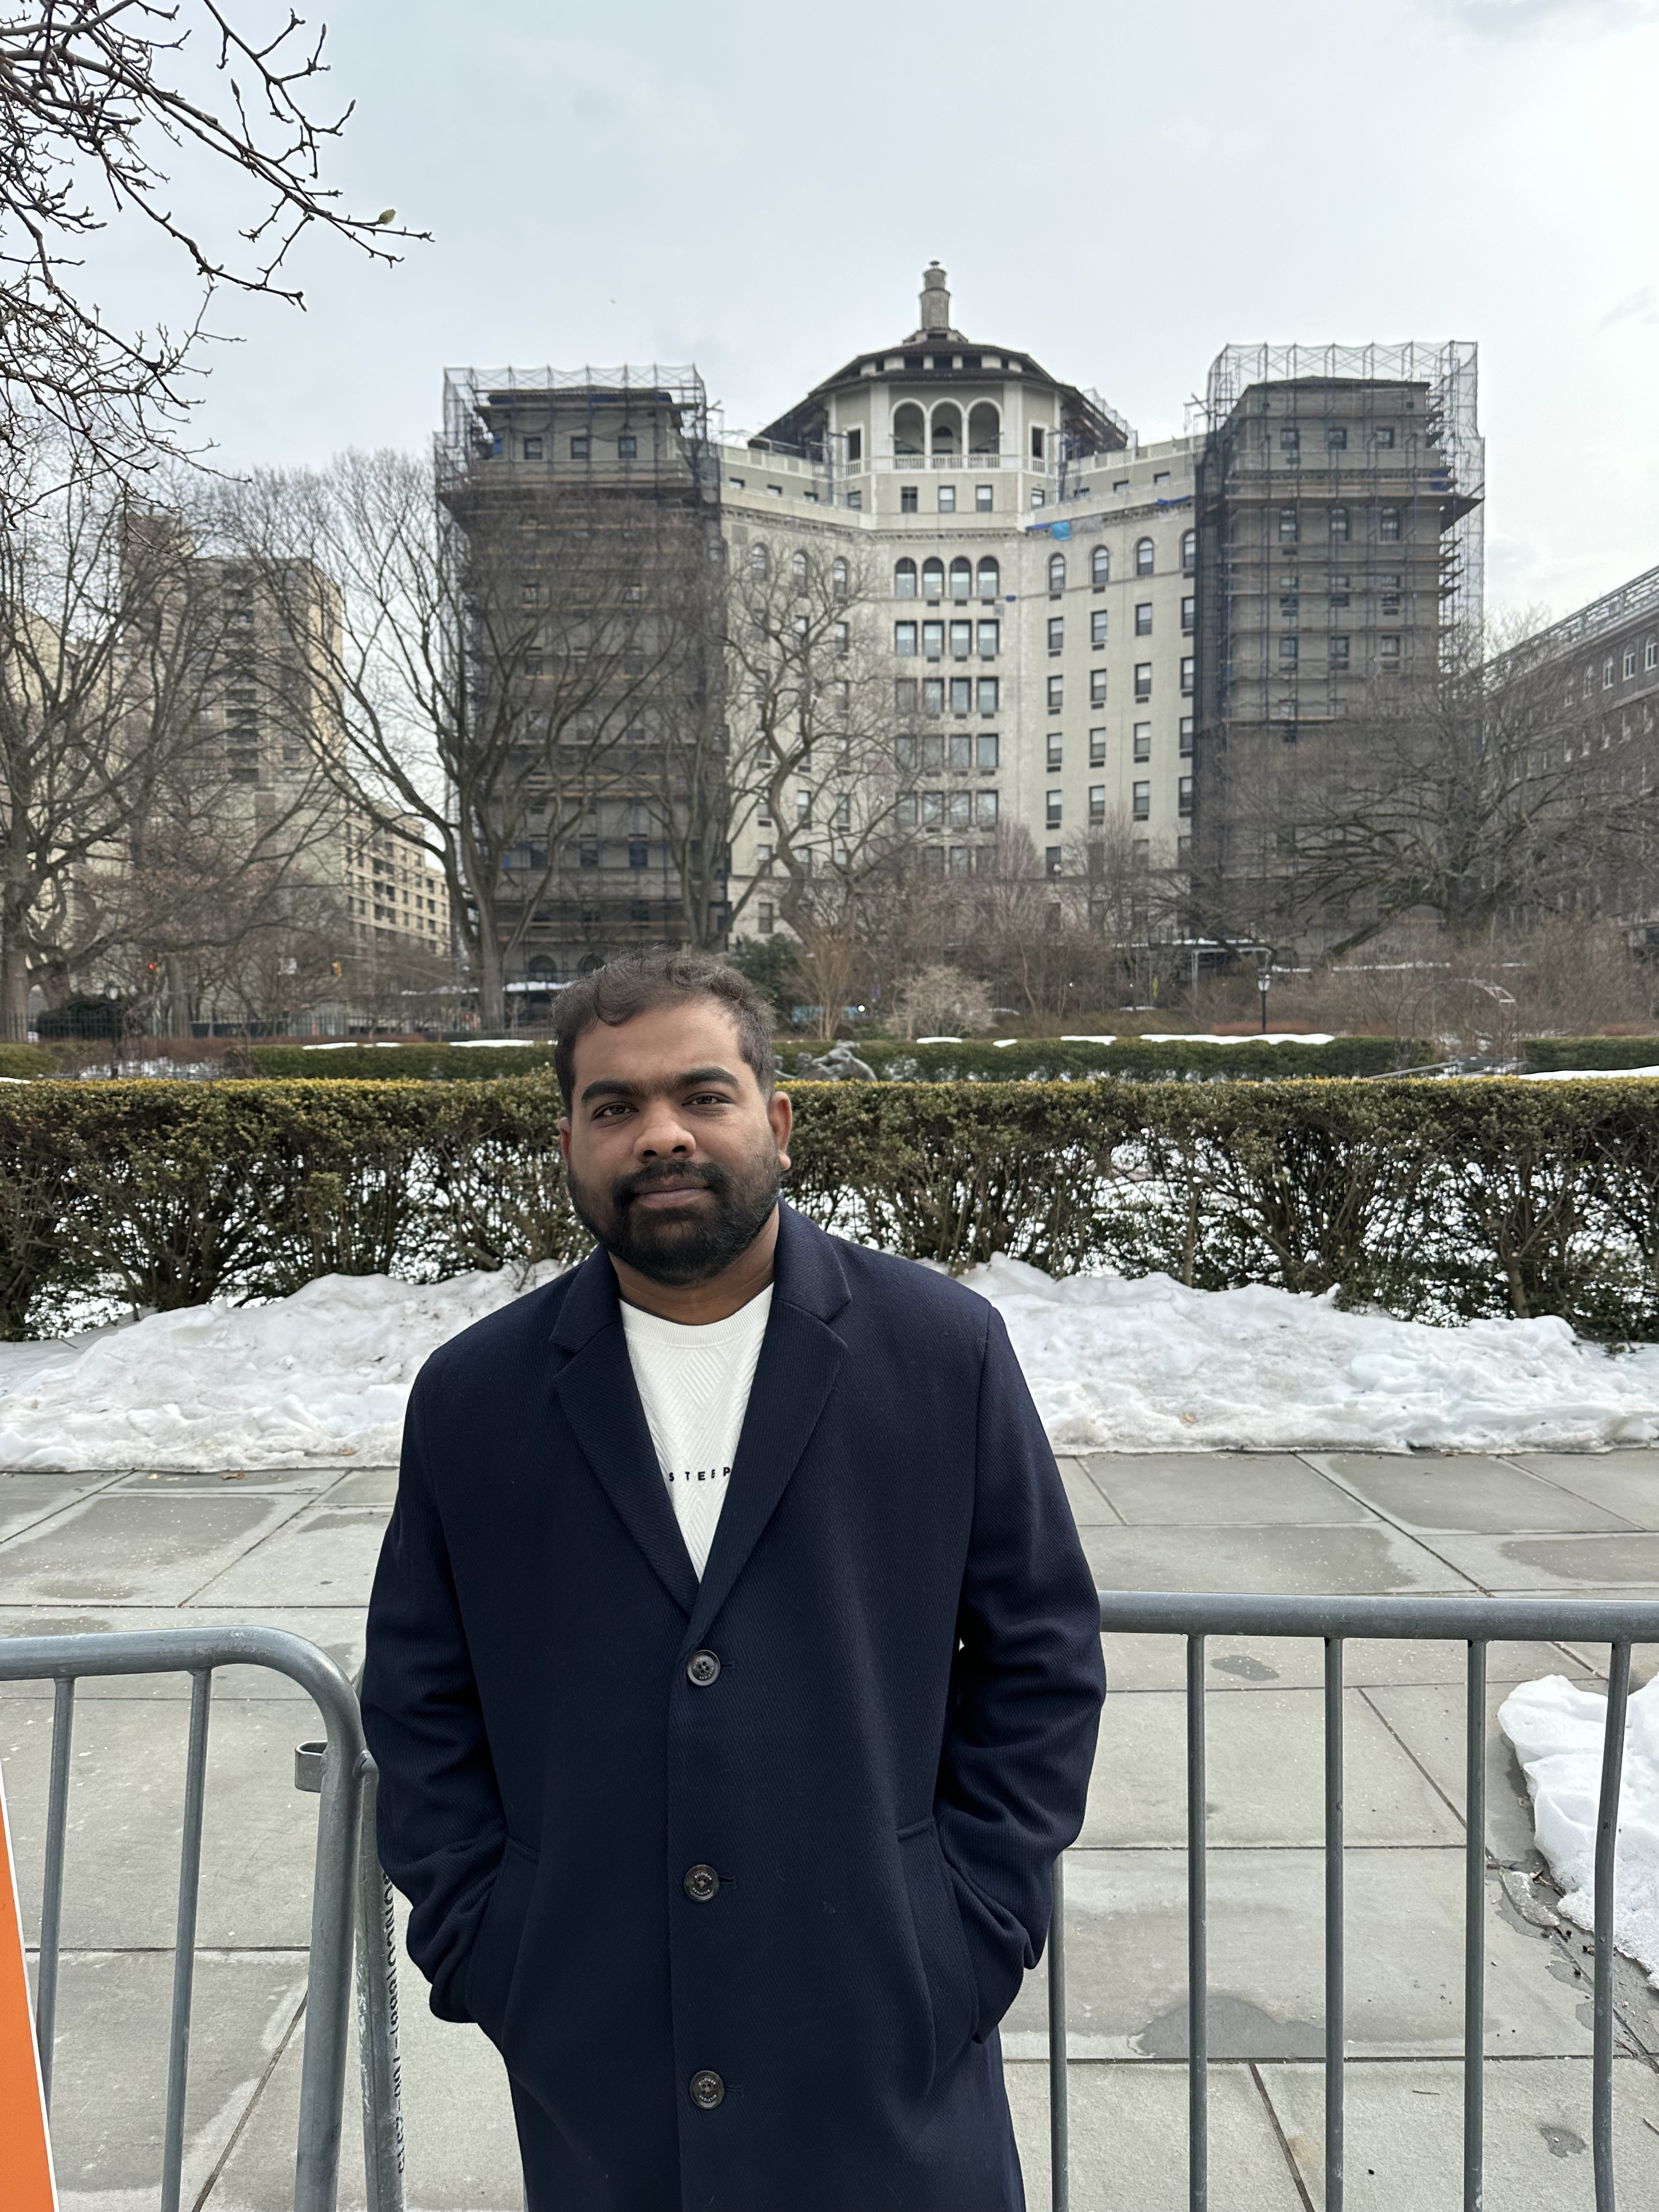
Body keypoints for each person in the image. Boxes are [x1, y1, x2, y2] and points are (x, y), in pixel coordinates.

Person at [362, 949, 1105, 2212]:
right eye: (615, 1106)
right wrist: (492, 1945)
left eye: (702, 1095)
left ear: (778, 1120)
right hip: (599, 2061)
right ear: (569, 1141)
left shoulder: (940, 1353)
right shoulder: (474, 1399)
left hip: (887, 2038)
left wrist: (969, 1927)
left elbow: (1040, 1661)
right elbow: (423, 1701)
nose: (661, 1135)